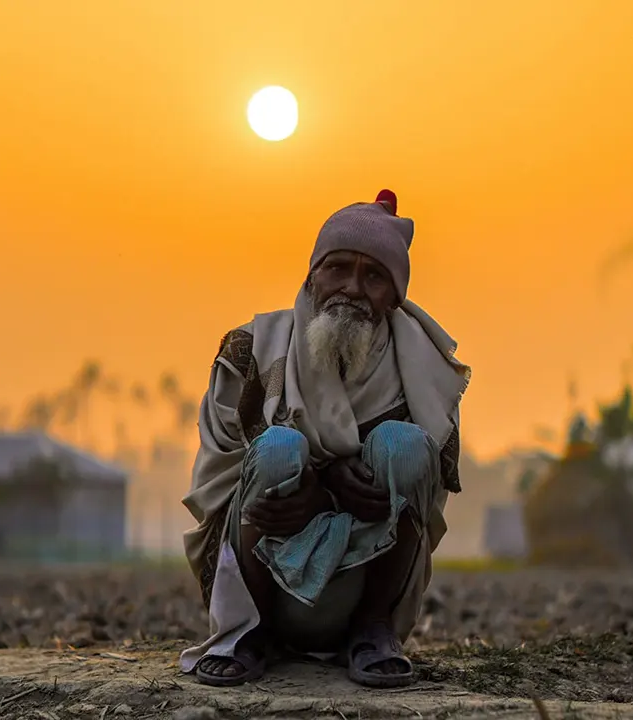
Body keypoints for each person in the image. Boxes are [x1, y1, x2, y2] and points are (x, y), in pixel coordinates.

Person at [179, 190, 471, 689]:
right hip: (263, 581)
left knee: (403, 444)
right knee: (276, 450)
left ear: (394, 296)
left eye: (373, 276)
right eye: (337, 268)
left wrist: (326, 494)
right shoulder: (250, 352)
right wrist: (314, 481)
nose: (352, 289)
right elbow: (216, 483)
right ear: (312, 276)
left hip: (363, 587)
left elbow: (425, 495)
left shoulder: (424, 376)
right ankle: (246, 635)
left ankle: (374, 632)